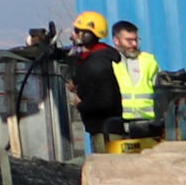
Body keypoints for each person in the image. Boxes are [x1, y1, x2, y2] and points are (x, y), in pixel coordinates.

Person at [68, 20, 127, 150]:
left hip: (106, 131)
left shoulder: (98, 62)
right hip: (101, 129)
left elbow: (105, 100)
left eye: (77, 31)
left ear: (87, 35)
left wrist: (81, 105)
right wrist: (76, 80)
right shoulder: (94, 58)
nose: (72, 34)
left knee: (107, 168)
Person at [112, 22, 165, 145]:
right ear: (116, 40)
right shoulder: (110, 61)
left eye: (136, 40)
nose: (134, 44)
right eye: (129, 40)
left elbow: (161, 91)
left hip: (148, 124)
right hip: (119, 124)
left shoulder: (149, 60)